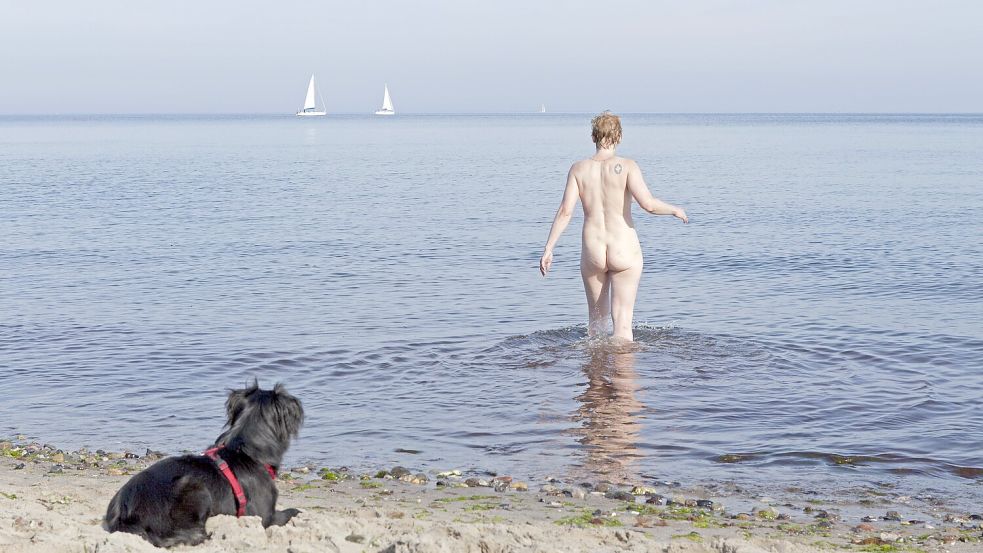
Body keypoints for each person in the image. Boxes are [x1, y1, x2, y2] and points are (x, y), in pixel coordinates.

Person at [539, 112, 688, 342]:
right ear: (618, 136)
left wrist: (549, 248)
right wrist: (675, 210)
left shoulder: (578, 169)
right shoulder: (628, 166)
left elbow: (565, 211)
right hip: (623, 248)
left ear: (593, 136)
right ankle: (624, 375)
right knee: (623, 327)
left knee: (596, 326)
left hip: (593, 251)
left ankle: (595, 376)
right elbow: (648, 204)